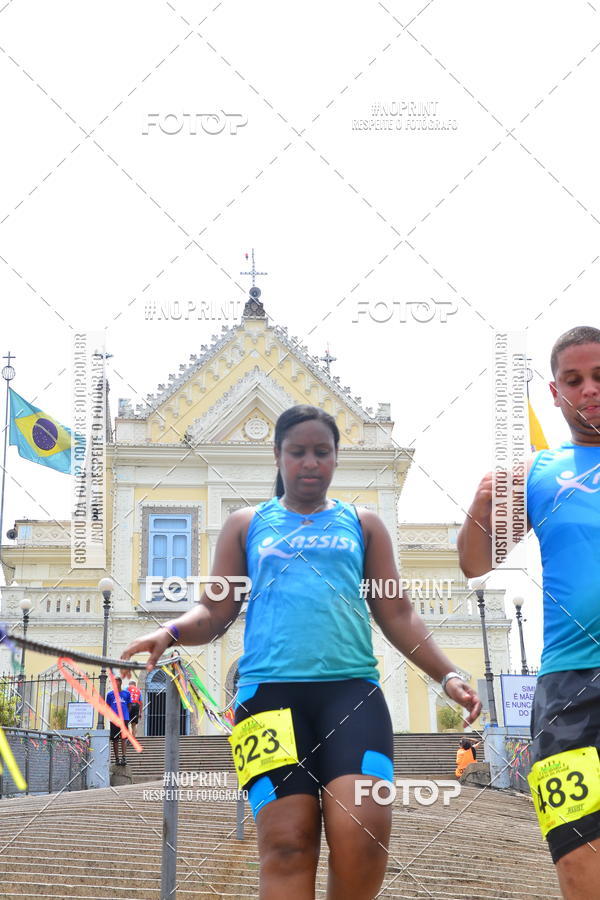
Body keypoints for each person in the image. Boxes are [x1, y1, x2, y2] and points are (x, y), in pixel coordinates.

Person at [122, 404, 481, 899]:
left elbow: (397, 613)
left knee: (363, 833)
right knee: (286, 843)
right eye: (298, 452)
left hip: (352, 696)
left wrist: (447, 675)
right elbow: (215, 610)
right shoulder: (246, 524)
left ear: (335, 458)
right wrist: (171, 631)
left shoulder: (364, 524)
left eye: (321, 452)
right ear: (278, 456)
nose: (310, 462)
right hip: (267, 700)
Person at [457, 326, 600, 900]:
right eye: (574, 380)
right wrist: (479, 508)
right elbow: (475, 563)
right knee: (577, 850)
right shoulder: (535, 473)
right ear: (555, 392)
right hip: (568, 687)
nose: (589, 390)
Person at [106, 677, 131, 766]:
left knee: (123, 738)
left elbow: (129, 705)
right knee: (115, 739)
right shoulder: (110, 694)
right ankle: (117, 758)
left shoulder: (126, 693)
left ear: (120, 682)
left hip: (124, 719)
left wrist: (126, 714)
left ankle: (124, 757)